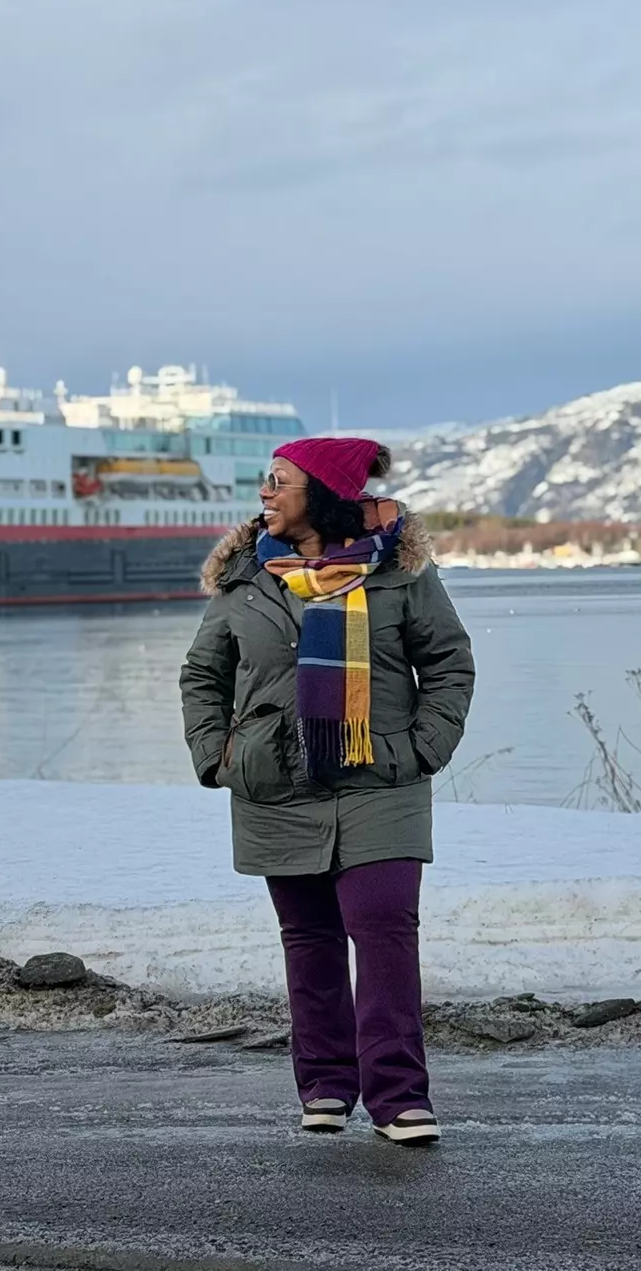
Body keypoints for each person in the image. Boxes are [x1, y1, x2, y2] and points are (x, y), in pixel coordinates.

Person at [180, 436, 475, 1145]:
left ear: (323, 492)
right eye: (265, 479)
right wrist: (218, 754)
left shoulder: (399, 574)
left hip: (380, 781)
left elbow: (447, 663)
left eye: (278, 480)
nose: (264, 492)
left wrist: (423, 748)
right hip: (275, 786)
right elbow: (203, 674)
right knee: (308, 939)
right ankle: (325, 1086)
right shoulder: (246, 577)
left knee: (383, 931)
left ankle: (400, 1098)